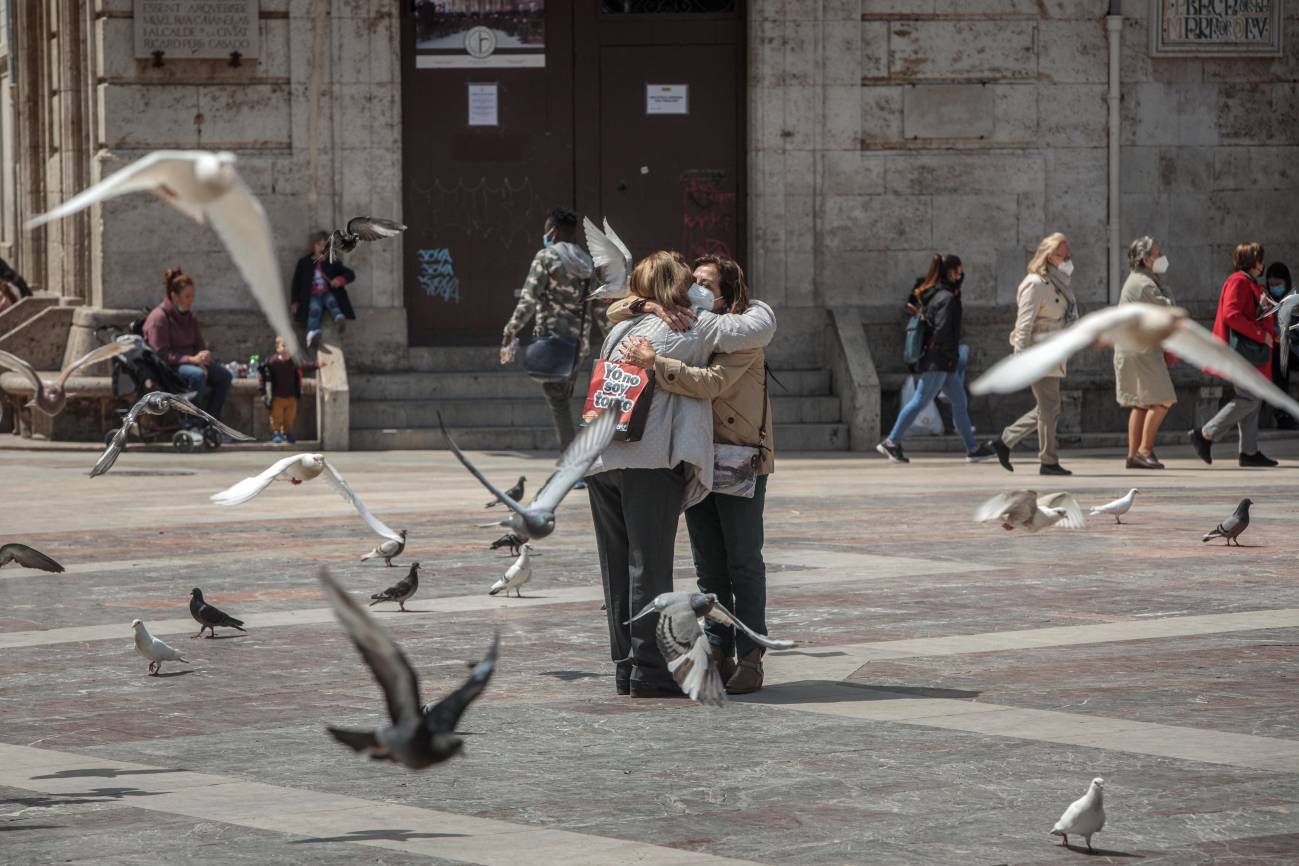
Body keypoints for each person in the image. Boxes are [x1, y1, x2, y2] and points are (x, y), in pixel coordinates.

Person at [586, 251, 775, 699]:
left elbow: (616, 306)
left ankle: (627, 667)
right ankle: (651, 672)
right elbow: (762, 325)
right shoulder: (692, 326)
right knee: (649, 572)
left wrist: (641, 304)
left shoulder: (620, 328)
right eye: (693, 281)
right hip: (648, 463)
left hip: (602, 459)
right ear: (680, 288)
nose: (700, 288)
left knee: (618, 567)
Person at [876, 254, 995, 465]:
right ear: (950, 272)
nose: (961, 275)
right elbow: (942, 331)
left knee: (959, 402)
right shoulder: (947, 299)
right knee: (920, 400)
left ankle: (973, 449)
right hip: (939, 360)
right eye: (959, 271)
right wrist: (950, 358)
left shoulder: (937, 294)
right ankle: (892, 441)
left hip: (941, 360)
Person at [501, 207, 594, 450]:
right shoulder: (587, 262)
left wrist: (511, 329)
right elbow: (599, 306)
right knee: (563, 398)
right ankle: (575, 460)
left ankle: (571, 463)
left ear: (552, 232)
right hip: (578, 346)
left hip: (552, 340)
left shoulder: (546, 257)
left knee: (558, 401)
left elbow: (529, 300)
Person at [986, 232, 1077, 476]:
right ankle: (1048, 460)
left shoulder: (1058, 283)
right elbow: (1024, 324)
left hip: (1053, 353)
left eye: (1069, 254)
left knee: (1048, 407)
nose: (1068, 259)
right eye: (1063, 254)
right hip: (1037, 355)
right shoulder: (1034, 284)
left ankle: (1005, 441)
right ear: (1050, 257)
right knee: (1049, 407)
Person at [1188, 242, 1279, 468]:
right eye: (1259, 259)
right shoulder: (1239, 282)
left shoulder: (1246, 282)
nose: (1262, 264)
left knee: (1252, 399)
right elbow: (1232, 315)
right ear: (1250, 261)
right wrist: (1261, 335)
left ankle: (1248, 451)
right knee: (1249, 398)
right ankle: (1206, 434)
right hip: (1242, 354)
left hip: (1247, 353)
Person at [1114, 236, 1177, 470]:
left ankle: (1133, 455)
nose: (1161, 258)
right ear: (1145, 259)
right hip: (1142, 351)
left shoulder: (1137, 281)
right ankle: (1144, 450)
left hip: (1133, 348)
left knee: (1141, 403)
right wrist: (1165, 286)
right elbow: (1169, 309)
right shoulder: (1145, 284)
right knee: (1163, 399)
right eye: (1157, 254)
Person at [143, 267, 233, 422]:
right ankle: (191, 422)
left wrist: (204, 357)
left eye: (192, 296)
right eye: (187, 296)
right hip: (170, 367)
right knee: (197, 376)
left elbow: (199, 344)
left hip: (193, 361)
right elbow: (162, 354)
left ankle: (212, 421)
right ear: (174, 296)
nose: (191, 300)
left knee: (224, 376)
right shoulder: (159, 318)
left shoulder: (190, 317)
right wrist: (192, 360)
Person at [291, 231, 356, 349]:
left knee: (331, 301)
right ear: (313, 246)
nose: (322, 248)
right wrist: (295, 301)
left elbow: (350, 274)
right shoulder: (304, 262)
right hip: (312, 295)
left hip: (326, 292)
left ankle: (338, 317)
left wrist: (339, 280)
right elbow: (296, 283)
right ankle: (312, 334)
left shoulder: (333, 262)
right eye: (319, 245)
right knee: (314, 309)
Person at [260, 335, 323, 445]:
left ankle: (287, 432)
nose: (287, 349)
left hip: (292, 396)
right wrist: (263, 391)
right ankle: (276, 432)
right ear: (277, 348)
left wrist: (316, 365)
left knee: (290, 417)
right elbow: (264, 377)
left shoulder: (294, 361)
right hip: (277, 396)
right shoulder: (272, 362)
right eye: (284, 346)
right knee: (276, 416)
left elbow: (305, 366)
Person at [1266, 262, 1296, 429]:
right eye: (1272, 284)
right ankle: (1281, 412)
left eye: (1278, 284)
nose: (1274, 288)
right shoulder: (1266, 302)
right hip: (1275, 351)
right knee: (1279, 359)